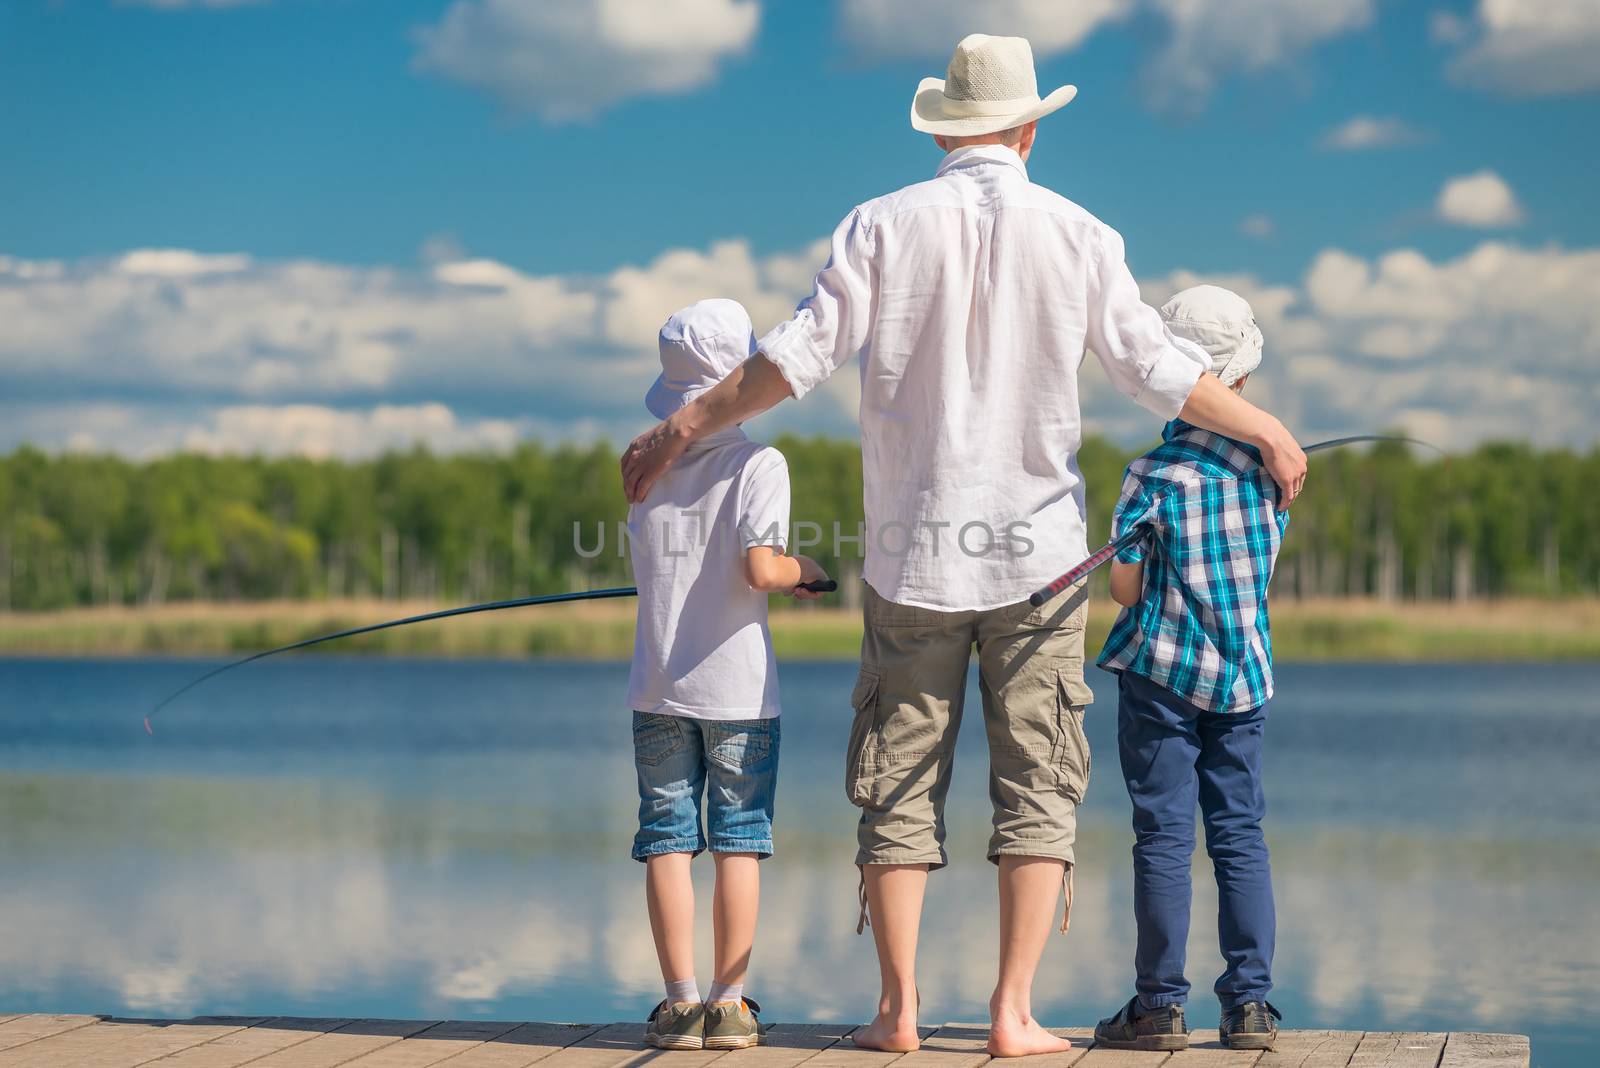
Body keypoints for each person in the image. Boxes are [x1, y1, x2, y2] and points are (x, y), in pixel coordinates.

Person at [620, 36, 1307, 1057]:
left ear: (943, 128)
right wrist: (1266, 427)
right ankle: (1011, 1014)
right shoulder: (1080, 233)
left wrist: (685, 428)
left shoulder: (879, 225)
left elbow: (789, 362)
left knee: (898, 785)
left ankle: (896, 1014)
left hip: (912, 557)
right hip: (1039, 561)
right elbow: (1156, 370)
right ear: (1029, 128)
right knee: (1038, 785)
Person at [628, 298, 830, 1051]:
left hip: (656, 686)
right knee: (739, 839)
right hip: (738, 692)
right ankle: (729, 1005)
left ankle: (678, 1005)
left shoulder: (647, 464)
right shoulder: (759, 463)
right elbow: (760, 570)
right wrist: (807, 569)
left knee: (667, 839)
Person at [1093, 285, 1287, 1053]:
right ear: (1240, 378)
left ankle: (1159, 1007)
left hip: (1162, 679)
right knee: (1240, 834)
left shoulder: (1152, 476)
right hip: (1244, 679)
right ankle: (1249, 1008)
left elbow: (1123, 586)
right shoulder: (1273, 469)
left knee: (1163, 838)